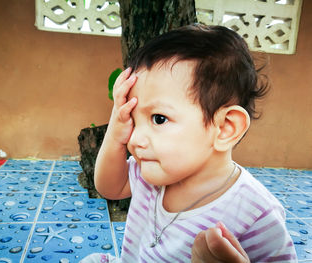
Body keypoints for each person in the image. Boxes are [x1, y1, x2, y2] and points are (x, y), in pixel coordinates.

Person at [80, 24, 297, 262]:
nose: (135, 138)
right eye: (133, 118)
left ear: (225, 128)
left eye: (159, 119)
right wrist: (115, 128)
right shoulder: (150, 171)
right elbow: (108, 187)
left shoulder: (256, 214)